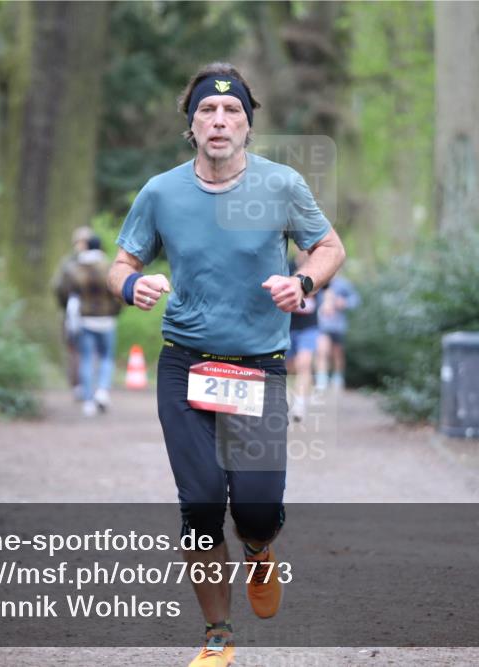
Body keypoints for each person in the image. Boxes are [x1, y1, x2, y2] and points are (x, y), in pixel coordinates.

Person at [107, 62, 345, 667]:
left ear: (247, 125)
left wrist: (304, 283)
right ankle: (217, 634)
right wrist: (130, 284)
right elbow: (119, 264)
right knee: (202, 503)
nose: (219, 120)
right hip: (184, 364)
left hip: (257, 368)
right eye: (207, 112)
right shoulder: (161, 192)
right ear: (191, 126)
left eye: (231, 111)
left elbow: (329, 246)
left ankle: (261, 550)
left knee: (258, 508)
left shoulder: (282, 185)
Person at [71, 234, 122, 416]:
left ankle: (88, 401)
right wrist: (116, 310)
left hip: (85, 320)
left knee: (86, 359)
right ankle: (102, 391)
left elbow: (64, 290)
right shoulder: (108, 266)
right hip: (107, 319)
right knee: (106, 357)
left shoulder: (76, 267)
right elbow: (117, 291)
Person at [52, 227, 95, 400]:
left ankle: (83, 386)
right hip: (85, 314)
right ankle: (81, 386)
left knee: (77, 351)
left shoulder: (68, 263)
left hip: (76, 313)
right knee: (77, 351)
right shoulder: (99, 261)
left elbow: (58, 287)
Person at [315, 271, 360, 391]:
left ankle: (338, 377)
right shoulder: (320, 281)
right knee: (322, 351)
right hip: (322, 324)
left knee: (337, 353)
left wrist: (345, 303)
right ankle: (322, 378)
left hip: (338, 325)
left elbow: (355, 300)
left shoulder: (344, 284)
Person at [286, 254, 318, 422]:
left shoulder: (318, 267)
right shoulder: (287, 266)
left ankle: (299, 405)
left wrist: (329, 302)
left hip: (309, 327)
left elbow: (328, 289)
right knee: (290, 367)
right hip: (288, 326)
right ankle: (294, 396)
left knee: (304, 363)